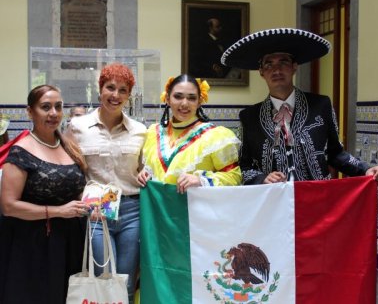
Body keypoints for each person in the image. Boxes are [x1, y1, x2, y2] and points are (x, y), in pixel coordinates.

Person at [220, 28, 378, 185]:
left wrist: (366, 169)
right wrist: (262, 178)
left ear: (294, 67)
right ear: (261, 72)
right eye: (268, 64)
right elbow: (244, 167)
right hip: (272, 203)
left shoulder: (321, 105)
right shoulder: (249, 117)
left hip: (317, 199)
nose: (276, 69)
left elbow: (336, 154)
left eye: (283, 62)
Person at [0, 84, 89, 304]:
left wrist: (92, 202)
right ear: (30, 112)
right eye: (45, 107)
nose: (53, 113)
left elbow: (77, 188)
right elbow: (8, 206)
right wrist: (58, 211)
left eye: (58, 107)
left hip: (72, 241)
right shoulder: (20, 152)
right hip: (34, 244)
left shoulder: (69, 146)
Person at [67, 63, 146, 301]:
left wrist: (146, 173)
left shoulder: (140, 131)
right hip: (97, 212)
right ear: (100, 89)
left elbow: (145, 167)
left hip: (132, 211)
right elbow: (72, 171)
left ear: (129, 96)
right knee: (103, 276)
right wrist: (84, 202)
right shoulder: (78, 127)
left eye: (123, 90)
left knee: (128, 279)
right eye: (110, 88)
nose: (116, 95)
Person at [137, 74, 241, 193]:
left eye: (191, 98)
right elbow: (151, 171)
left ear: (199, 102)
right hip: (158, 209)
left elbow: (234, 177)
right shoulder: (153, 133)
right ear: (167, 99)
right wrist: (144, 175)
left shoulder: (214, 136)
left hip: (195, 209)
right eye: (178, 96)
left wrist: (201, 180)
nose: (185, 103)